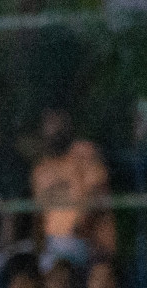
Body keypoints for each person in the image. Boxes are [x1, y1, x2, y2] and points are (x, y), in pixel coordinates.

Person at [32, 109, 115, 270]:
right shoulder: (41, 169)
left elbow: (96, 196)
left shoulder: (85, 154)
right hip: (51, 243)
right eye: (49, 123)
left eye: (58, 122)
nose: (54, 128)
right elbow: (39, 215)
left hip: (84, 240)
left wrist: (77, 229)